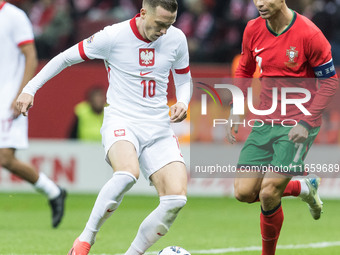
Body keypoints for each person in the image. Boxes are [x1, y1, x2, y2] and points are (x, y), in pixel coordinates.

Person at [16, 0, 191, 254]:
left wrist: (183, 101)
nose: (164, 31)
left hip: (158, 127)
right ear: (143, 13)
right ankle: (85, 240)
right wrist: (30, 89)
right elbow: (65, 58)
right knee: (127, 174)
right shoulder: (114, 36)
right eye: (160, 24)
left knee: (176, 199)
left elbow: (184, 78)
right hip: (122, 120)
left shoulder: (176, 38)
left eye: (170, 25)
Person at [226, 0, 338, 254]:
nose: (260, 3)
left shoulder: (310, 34)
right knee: (244, 192)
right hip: (265, 121)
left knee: (268, 193)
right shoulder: (253, 28)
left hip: (298, 123)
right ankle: (303, 187)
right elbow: (245, 69)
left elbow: (330, 83)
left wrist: (307, 122)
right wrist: (237, 107)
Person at [0, 0, 66, 228]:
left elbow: (31, 56)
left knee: (4, 158)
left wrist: (21, 94)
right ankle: (54, 191)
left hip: (7, 99)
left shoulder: (13, 16)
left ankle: (54, 191)